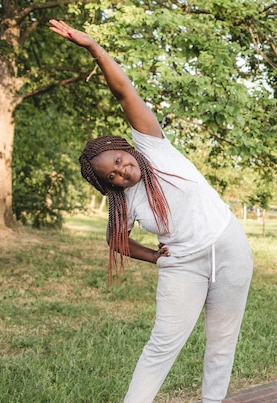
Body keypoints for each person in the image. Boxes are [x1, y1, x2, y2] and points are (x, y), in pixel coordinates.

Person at [49, 20, 253, 403]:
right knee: (162, 345)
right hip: (182, 266)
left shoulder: (154, 147)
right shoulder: (124, 200)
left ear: (126, 148)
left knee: (222, 341)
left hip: (230, 248)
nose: (123, 172)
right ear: (109, 184)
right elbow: (116, 239)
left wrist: (94, 47)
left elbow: (123, 91)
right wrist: (155, 257)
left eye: (121, 161)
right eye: (113, 176)